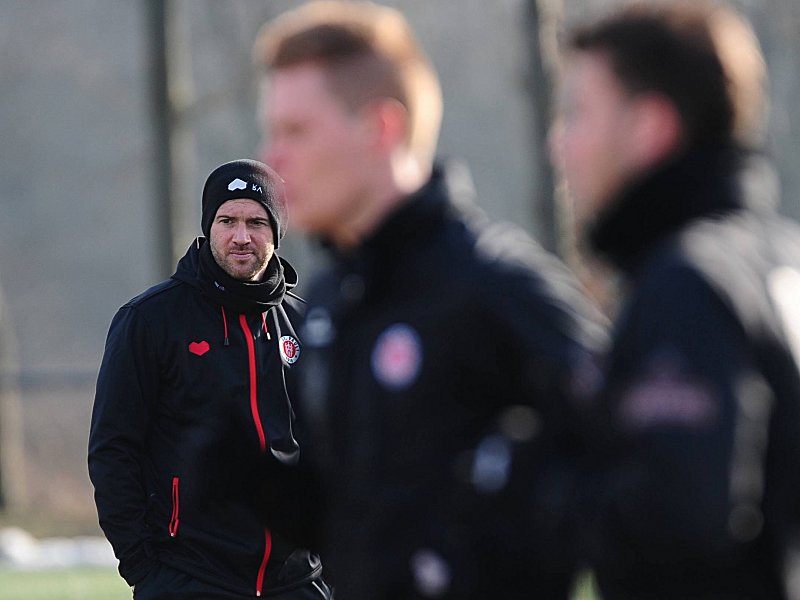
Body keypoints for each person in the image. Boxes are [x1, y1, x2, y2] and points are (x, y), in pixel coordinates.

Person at [253, 2, 607, 599]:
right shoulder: (330, 301)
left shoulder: (495, 285)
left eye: (296, 131)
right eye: (273, 132)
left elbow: (647, 469)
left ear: (380, 129)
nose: (274, 158)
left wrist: (520, 520)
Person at [551, 1, 800, 598]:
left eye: (580, 114)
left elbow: (678, 526)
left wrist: (540, 483)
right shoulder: (780, 256)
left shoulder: (688, 282)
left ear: (649, 127)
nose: (563, 146)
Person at [89, 159, 331, 599]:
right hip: (190, 578)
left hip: (297, 582)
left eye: (256, 222)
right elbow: (113, 451)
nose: (242, 236)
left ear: (276, 232)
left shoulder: (309, 325)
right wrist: (145, 569)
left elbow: (337, 450)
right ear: (208, 226)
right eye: (228, 221)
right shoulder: (149, 321)